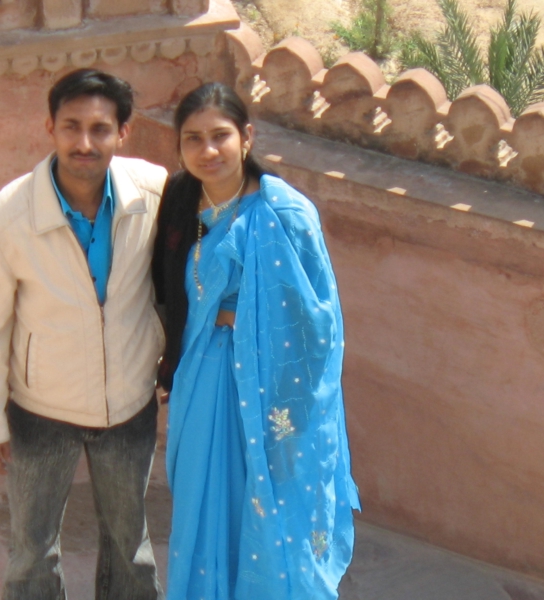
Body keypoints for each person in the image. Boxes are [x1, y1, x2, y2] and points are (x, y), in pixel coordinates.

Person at [0, 68, 167, 600]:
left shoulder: (152, 193)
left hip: (128, 407)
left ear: (123, 133)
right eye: (71, 126)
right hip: (39, 411)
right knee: (32, 550)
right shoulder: (8, 215)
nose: (84, 142)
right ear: (49, 127)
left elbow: (180, 281)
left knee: (130, 546)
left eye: (100, 128)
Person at [152, 82, 361, 600]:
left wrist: (240, 322)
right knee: (204, 503)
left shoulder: (284, 213)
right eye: (193, 139)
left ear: (247, 137)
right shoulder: (181, 200)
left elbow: (319, 322)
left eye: (220, 136)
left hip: (270, 392)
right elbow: (165, 290)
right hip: (202, 379)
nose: (208, 151)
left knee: (271, 511)